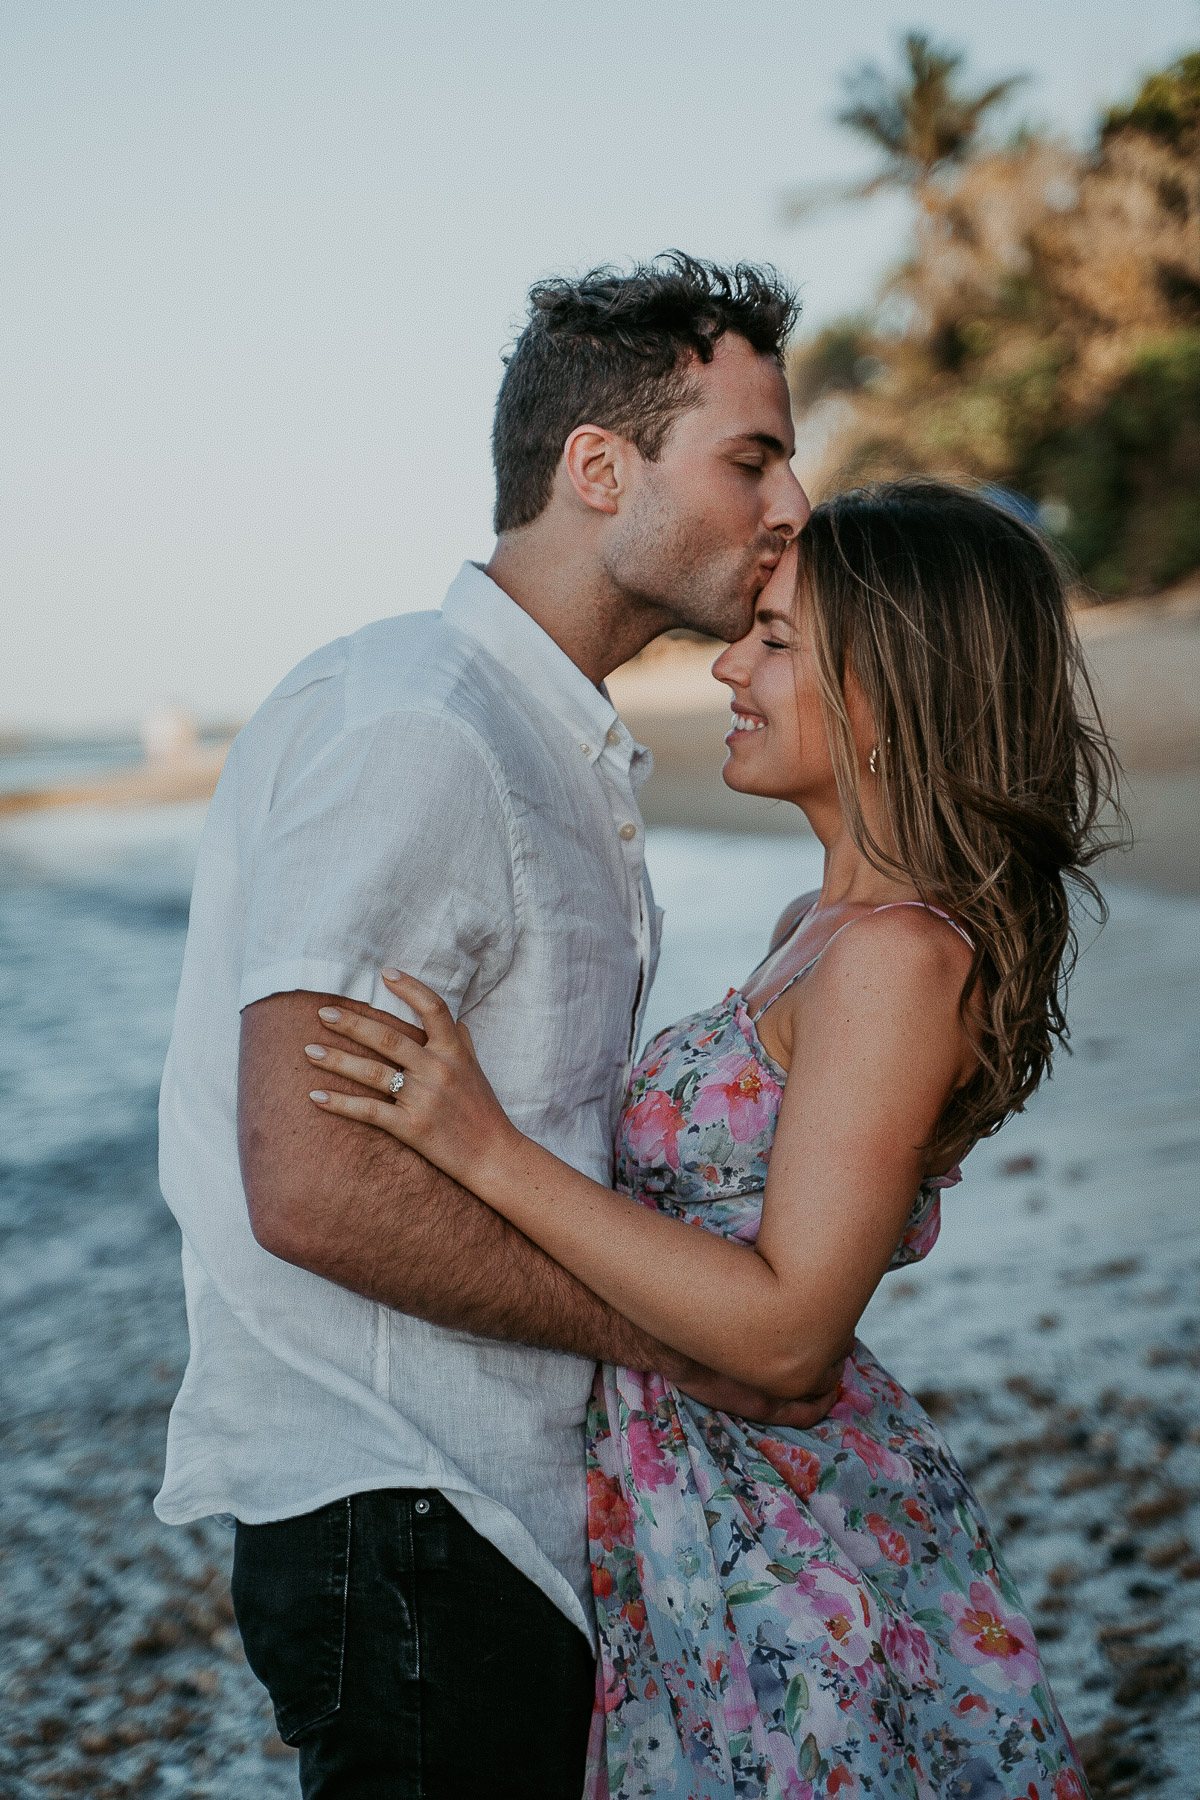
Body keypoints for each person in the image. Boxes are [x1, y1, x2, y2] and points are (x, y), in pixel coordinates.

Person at [304, 481, 1114, 1799]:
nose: (729, 664)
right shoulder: (824, 926)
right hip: (699, 1499)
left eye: (779, 640)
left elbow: (791, 1327)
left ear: (891, 687)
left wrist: (483, 1144)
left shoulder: (898, 961)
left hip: (786, 1527)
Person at [154, 254, 826, 1800]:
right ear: (598, 468)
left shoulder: (532, 735)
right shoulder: (425, 725)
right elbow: (314, 1182)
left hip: (484, 1513)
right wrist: (677, 1344)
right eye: (751, 455)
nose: (791, 500)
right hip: (405, 1509)